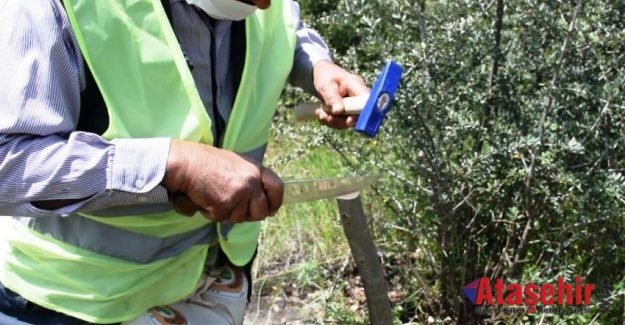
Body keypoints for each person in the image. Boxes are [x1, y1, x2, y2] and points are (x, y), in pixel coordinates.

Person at [0, 0, 369, 324]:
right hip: (76, 301)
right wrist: (175, 164)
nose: (265, 5)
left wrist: (317, 65)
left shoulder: (265, 6)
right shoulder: (49, 7)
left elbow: (285, 27)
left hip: (218, 279)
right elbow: (9, 166)